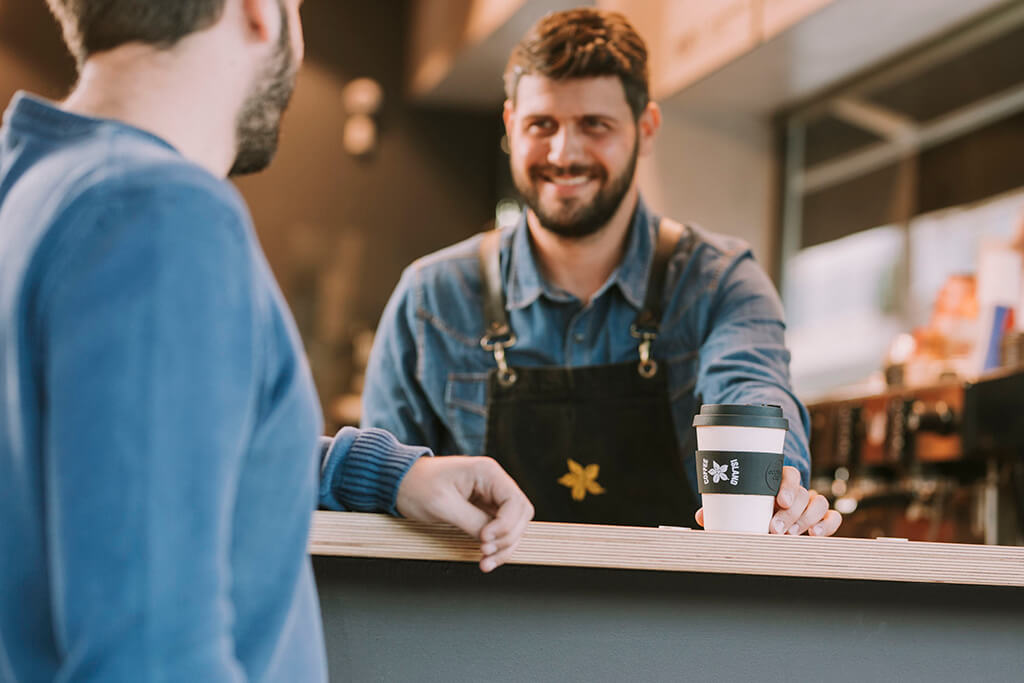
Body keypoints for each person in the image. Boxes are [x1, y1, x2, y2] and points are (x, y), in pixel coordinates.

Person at [0, 1, 532, 680]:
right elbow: (150, 659)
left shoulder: (31, 185)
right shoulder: (160, 215)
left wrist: (383, 473)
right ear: (258, 10)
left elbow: (112, 461)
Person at [362, 8, 841, 537]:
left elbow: (751, 396)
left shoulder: (719, 282)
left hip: (675, 614)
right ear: (510, 126)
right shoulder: (430, 299)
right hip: (478, 613)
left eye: (595, 125)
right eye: (541, 125)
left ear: (646, 127)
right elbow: (386, 503)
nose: (564, 153)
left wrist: (778, 487)